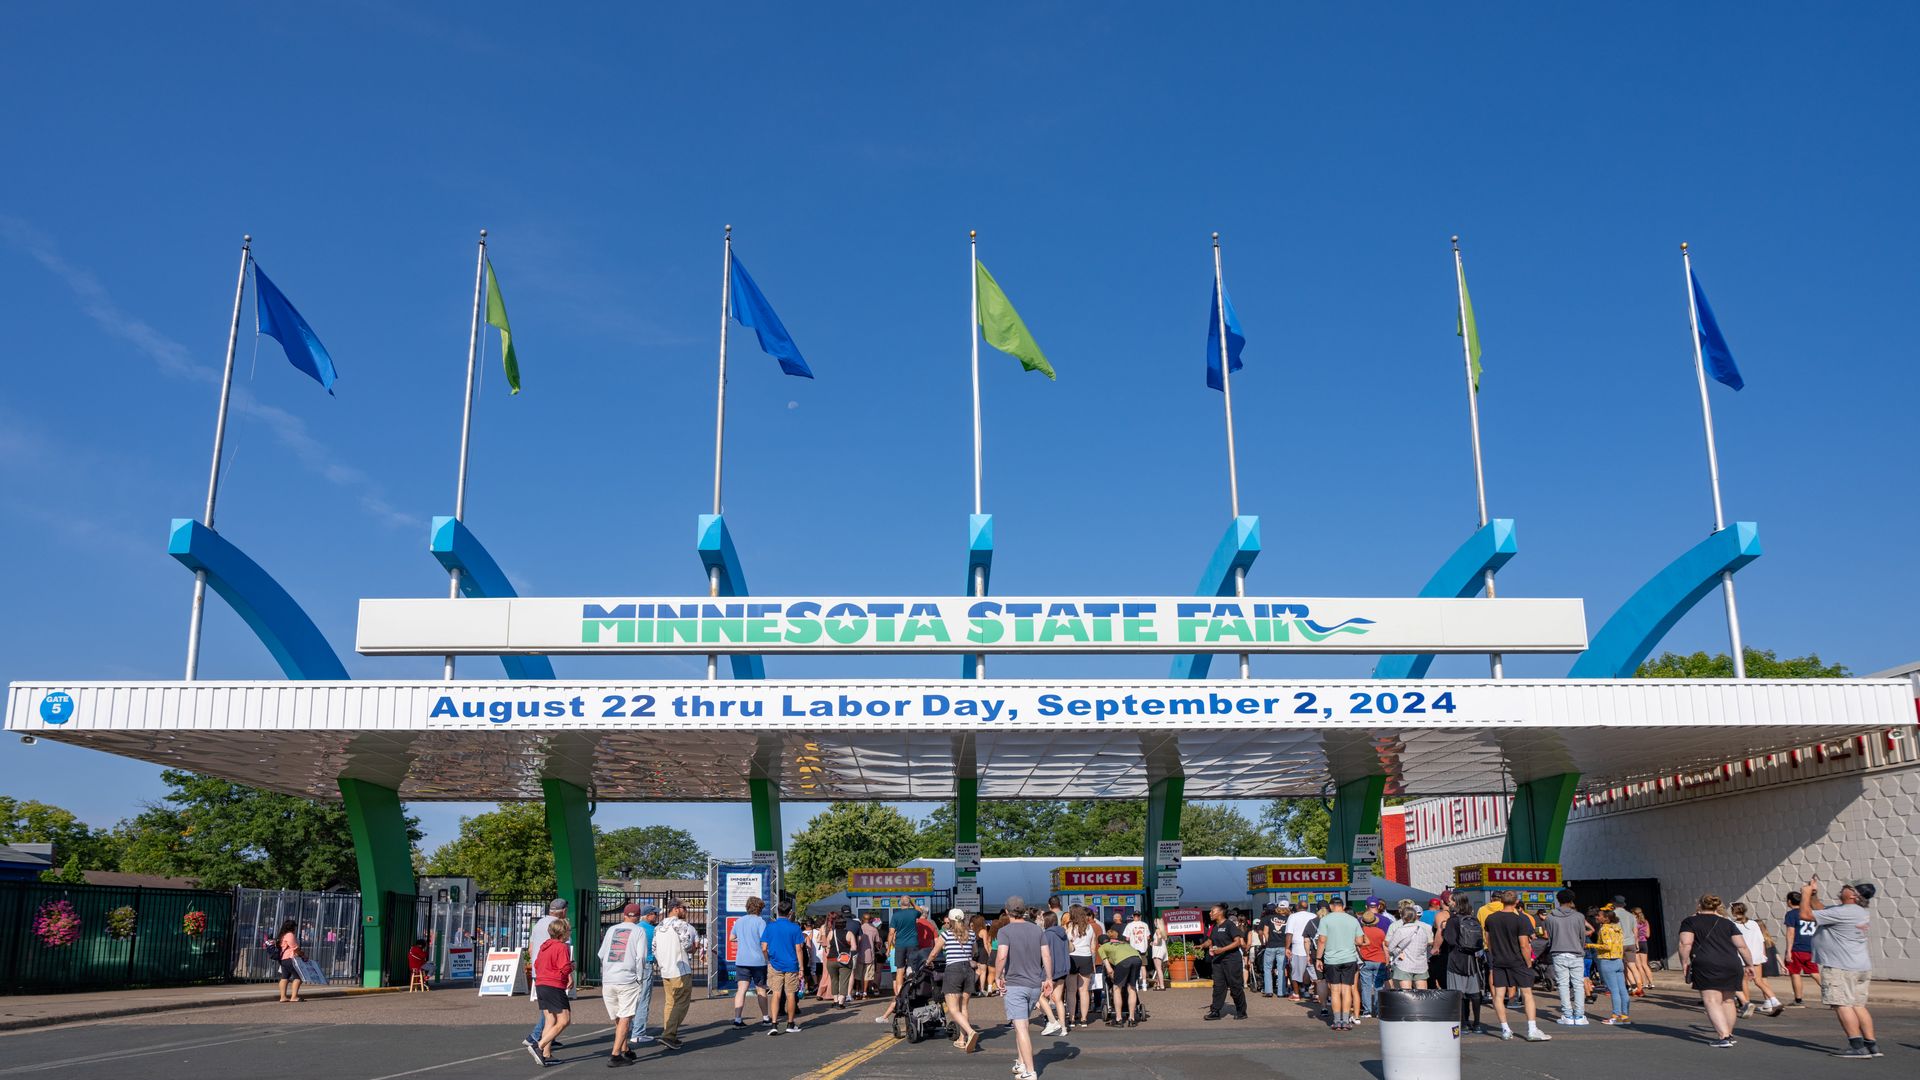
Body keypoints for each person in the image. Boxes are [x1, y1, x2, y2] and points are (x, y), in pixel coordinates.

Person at [1798, 875, 1880, 1059]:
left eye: (1847, 887)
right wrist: (1813, 895)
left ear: (1853, 895)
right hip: (1859, 966)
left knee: (1842, 1004)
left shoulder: (1844, 912)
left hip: (1840, 967)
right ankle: (1871, 1045)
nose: (1843, 888)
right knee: (1858, 1005)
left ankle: (1857, 1046)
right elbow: (1821, 910)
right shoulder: (1856, 911)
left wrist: (1805, 894)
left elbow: (1805, 915)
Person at [1678, 893, 1751, 1048]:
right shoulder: (1727, 922)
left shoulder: (1690, 921)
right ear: (1717, 906)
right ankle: (1729, 1033)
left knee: (1712, 1000)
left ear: (1699, 905)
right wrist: (1749, 964)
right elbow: (1742, 946)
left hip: (1707, 963)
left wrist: (1684, 962)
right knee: (1728, 1000)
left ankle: (1724, 1036)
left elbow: (1686, 944)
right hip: (1732, 963)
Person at [995, 898, 1051, 1080]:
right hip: (1035, 984)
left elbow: (1002, 956)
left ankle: (1030, 1071)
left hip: (1015, 984)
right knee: (1022, 1025)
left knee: (1021, 1028)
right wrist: (1049, 978)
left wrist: (997, 976)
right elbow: (1046, 955)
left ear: (1007, 911)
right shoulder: (1037, 929)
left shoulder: (1005, 931)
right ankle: (1020, 1062)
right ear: (1024, 911)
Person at [1486, 891, 1551, 1041]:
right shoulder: (1521, 919)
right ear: (1516, 902)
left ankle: (1505, 1029)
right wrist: (1528, 962)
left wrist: (1494, 955)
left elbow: (1489, 941)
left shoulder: (1491, 918)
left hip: (1499, 960)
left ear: (1501, 901)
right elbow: (1524, 945)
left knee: (1499, 995)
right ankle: (1532, 1029)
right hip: (1518, 961)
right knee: (1527, 994)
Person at [598, 903, 647, 1068]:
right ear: (638, 916)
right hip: (627, 978)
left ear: (624, 915)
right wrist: (639, 977)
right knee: (626, 1017)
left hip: (609, 979)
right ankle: (615, 1054)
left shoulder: (611, 930)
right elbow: (641, 957)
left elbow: (601, 954)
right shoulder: (639, 931)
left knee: (619, 1017)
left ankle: (625, 1048)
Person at [524, 898, 571, 1054]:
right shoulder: (560, 930)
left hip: (540, 973)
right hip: (554, 975)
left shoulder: (539, 924)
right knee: (560, 1016)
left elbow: (531, 949)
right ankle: (536, 1040)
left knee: (550, 1015)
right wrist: (570, 973)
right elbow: (564, 964)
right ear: (563, 911)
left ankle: (546, 1048)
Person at [1542, 889, 1593, 1025]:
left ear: (1558, 900)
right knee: (1578, 985)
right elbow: (1582, 936)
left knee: (1563, 985)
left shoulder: (1550, 917)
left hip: (1558, 952)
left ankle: (1567, 1015)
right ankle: (1580, 1015)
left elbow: (1550, 936)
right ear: (1571, 900)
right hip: (1576, 953)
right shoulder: (1579, 916)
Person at [1313, 896, 1364, 1031]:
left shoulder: (1325, 920)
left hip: (1331, 959)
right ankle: (1345, 1021)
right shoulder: (1353, 920)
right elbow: (1360, 941)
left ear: (1330, 906)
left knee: (1335, 990)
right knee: (1347, 990)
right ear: (1343, 906)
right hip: (1349, 958)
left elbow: (1322, 940)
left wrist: (1318, 958)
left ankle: (1336, 1021)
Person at [935, 907, 981, 1051]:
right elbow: (975, 952)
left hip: (953, 971)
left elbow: (935, 952)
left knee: (953, 1009)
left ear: (949, 920)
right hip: (968, 970)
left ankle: (970, 1032)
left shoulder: (946, 934)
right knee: (964, 1007)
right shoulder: (971, 934)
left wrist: (928, 961)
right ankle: (962, 1039)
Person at [1439, 894, 1486, 1034]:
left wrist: (1443, 930)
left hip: (1456, 959)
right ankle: (1477, 1024)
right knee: (1474, 993)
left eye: (1451, 900)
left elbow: (1450, 940)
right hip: (1472, 960)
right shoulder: (1473, 919)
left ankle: (1463, 1024)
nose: (1449, 902)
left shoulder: (1453, 920)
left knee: (1457, 993)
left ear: (1456, 902)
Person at [530, 918, 573, 1067]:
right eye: (568, 930)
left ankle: (546, 1054)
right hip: (554, 985)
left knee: (550, 1020)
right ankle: (539, 1046)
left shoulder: (544, 946)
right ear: (563, 933)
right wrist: (572, 967)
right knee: (564, 1020)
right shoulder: (561, 947)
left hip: (541, 984)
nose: (569, 933)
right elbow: (564, 968)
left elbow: (536, 964)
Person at [654, 901, 696, 1049]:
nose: (686, 911)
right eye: (684, 908)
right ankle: (669, 1035)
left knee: (670, 1003)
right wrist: (694, 948)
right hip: (680, 969)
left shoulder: (658, 926)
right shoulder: (681, 925)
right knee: (681, 1002)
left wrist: (662, 962)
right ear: (676, 909)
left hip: (665, 969)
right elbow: (687, 946)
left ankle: (669, 1032)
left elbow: (654, 948)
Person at [1729, 902, 1782, 1017]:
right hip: (1757, 956)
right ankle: (1775, 1001)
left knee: (1743, 981)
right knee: (1759, 981)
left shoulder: (1732, 925)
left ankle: (1747, 1005)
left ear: (1733, 912)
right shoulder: (1753, 923)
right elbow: (1761, 940)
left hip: (1742, 957)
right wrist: (1763, 955)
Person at [764, 899, 807, 1035]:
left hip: (775, 964)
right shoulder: (795, 928)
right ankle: (790, 1023)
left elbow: (764, 947)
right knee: (790, 994)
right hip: (791, 965)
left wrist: (768, 959)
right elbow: (799, 949)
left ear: (777, 911)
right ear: (790, 913)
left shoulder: (770, 927)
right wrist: (801, 968)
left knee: (776, 994)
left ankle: (774, 1024)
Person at [730, 895, 770, 1027]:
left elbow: (731, 938)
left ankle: (737, 1019)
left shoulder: (739, 921)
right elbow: (764, 942)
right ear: (760, 908)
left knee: (741, 990)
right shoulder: (760, 922)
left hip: (742, 960)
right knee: (761, 990)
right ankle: (765, 1018)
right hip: (758, 961)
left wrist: (742, 939)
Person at [1782, 890, 1822, 1006]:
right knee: (1815, 973)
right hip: (1811, 948)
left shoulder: (1791, 914)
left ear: (1790, 901)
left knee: (1795, 973)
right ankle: (1833, 995)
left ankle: (1798, 1000)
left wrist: (1788, 951)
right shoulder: (1810, 912)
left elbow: (1790, 933)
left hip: (1797, 948)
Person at [1592, 908, 1631, 1025]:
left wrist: (1590, 945)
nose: (1596, 917)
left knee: (1614, 991)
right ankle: (1625, 1016)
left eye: (1599, 915)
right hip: (1618, 960)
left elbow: (1607, 946)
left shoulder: (1604, 928)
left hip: (1607, 961)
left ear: (1606, 918)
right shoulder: (1617, 928)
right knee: (1622, 990)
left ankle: (1615, 1016)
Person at [1386, 899, 1434, 992]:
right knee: (1422, 994)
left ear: (1402, 917)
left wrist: (1399, 951)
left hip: (1404, 964)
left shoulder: (1400, 930)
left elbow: (1390, 948)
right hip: (1421, 964)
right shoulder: (1424, 929)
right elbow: (1428, 945)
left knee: (1406, 994)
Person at [1099, 928, 1143, 1026]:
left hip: (1123, 961)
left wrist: (1114, 978)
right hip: (1137, 959)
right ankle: (1131, 1019)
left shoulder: (1102, 947)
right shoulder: (1123, 943)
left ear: (1099, 944)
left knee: (1116, 988)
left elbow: (1109, 969)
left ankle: (1118, 1019)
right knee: (1132, 988)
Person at [1039, 911, 1070, 1035]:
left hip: (1051, 970)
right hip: (1063, 969)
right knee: (1058, 999)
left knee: (1039, 997)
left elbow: (1044, 954)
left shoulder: (1046, 935)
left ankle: (1052, 1021)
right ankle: (1063, 1028)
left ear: (1046, 921)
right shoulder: (1063, 933)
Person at [1283, 901, 1317, 1003]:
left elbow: (1289, 934)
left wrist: (1287, 948)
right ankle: (1316, 994)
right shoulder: (1313, 916)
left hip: (1298, 948)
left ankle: (1296, 994)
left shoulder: (1292, 917)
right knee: (1315, 974)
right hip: (1312, 948)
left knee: (1295, 973)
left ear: (1297, 907)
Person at [1357, 910, 1388, 1015]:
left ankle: (1367, 1011)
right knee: (1378, 986)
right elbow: (1384, 947)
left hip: (1365, 960)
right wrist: (1387, 960)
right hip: (1380, 960)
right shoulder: (1381, 932)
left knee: (1365, 987)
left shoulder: (1361, 931)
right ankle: (1378, 1011)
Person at [1611, 898, 1642, 995]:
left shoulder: (1613, 914)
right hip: (1631, 943)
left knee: (1623, 967)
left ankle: (1631, 986)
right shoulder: (1631, 915)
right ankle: (1639, 989)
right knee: (1633, 966)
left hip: (1619, 944)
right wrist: (1636, 943)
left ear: (1614, 904)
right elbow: (1635, 931)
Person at [888, 900, 920, 991]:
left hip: (900, 945)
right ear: (909, 904)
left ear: (900, 904)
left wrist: (888, 949)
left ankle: (899, 993)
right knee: (912, 969)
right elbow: (920, 910)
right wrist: (912, 901)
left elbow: (891, 933)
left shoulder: (896, 915)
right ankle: (910, 991)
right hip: (913, 944)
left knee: (899, 970)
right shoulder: (913, 913)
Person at [275, 919, 304, 1003]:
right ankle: (294, 997)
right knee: (298, 977)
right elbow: (295, 948)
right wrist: (302, 954)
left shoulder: (282, 935)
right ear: (292, 927)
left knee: (284, 977)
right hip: (290, 958)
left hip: (283, 959)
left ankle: (283, 997)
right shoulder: (289, 935)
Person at [1150, 917, 1170, 991]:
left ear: (1157, 923)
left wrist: (1154, 943)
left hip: (1158, 951)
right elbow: (1164, 939)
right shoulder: (1163, 930)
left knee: (1158, 969)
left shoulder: (1157, 930)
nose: (1154, 923)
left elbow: (1159, 937)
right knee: (1160, 969)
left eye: (1155, 922)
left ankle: (1161, 986)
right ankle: (1158, 985)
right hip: (1163, 950)